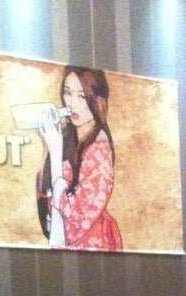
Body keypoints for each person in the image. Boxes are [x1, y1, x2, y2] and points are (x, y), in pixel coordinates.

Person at [36, 65, 123, 251]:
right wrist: (48, 146)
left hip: (92, 246)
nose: (71, 104)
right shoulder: (68, 135)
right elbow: (45, 196)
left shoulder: (99, 150)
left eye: (82, 96)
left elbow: (75, 221)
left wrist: (55, 150)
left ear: (99, 100)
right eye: (68, 93)